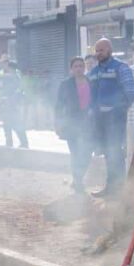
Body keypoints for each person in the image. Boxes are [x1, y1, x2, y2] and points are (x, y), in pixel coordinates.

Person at [88, 37, 134, 197]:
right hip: (99, 120)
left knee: (115, 152)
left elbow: (130, 92)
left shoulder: (120, 68)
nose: (98, 53)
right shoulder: (94, 72)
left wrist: (118, 110)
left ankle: (119, 189)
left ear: (109, 50)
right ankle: (111, 187)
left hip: (114, 119)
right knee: (108, 152)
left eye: (101, 50)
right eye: (96, 50)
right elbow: (90, 95)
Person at [55, 57, 93, 193]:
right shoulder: (65, 84)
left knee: (88, 152)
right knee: (76, 153)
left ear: (85, 68)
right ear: (71, 69)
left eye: (81, 66)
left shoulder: (91, 81)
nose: (79, 69)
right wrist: (57, 123)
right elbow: (58, 106)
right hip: (71, 123)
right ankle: (77, 181)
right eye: (76, 66)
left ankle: (79, 177)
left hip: (88, 123)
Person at [0, 57, 29, 148]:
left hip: (10, 104)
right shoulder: (12, 76)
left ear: (11, 68)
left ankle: (18, 143)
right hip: (8, 104)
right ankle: (16, 142)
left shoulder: (11, 76)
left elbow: (17, 90)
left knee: (13, 124)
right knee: (10, 124)